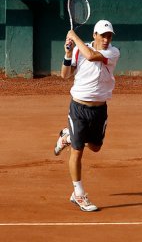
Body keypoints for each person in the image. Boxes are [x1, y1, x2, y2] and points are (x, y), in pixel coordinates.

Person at [54, 20, 120, 212]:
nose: (106, 39)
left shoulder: (113, 52)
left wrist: (74, 37)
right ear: (94, 35)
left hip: (100, 110)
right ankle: (79, 194)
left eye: (109, 36)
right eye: (103, 35)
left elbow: (91, 56)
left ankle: (67, 136)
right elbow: (65, 75)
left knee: (95, 147)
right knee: (77, 151)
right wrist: (67, 53)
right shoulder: (78, 50)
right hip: (78, 108)